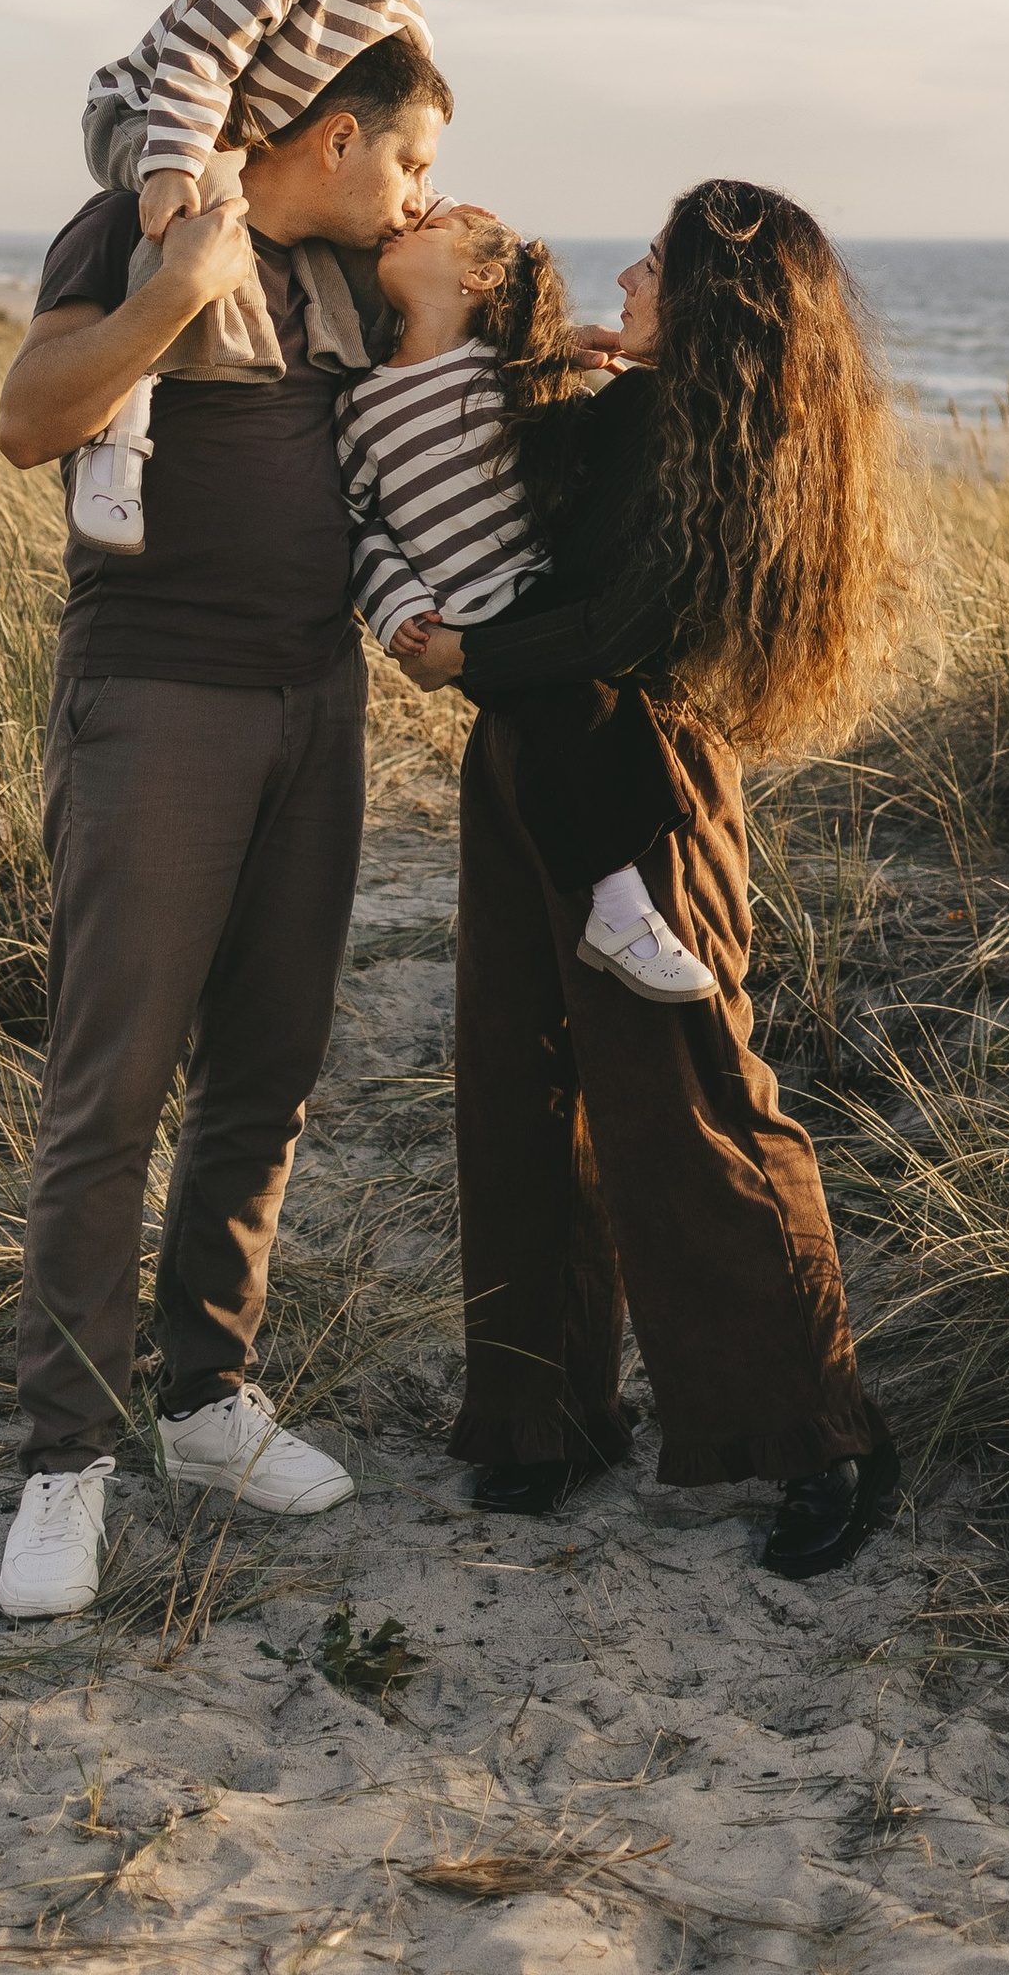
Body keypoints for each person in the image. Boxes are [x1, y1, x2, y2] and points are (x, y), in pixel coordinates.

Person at [0, 29, 451, 1620]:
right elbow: (30, 417)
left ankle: (203, 1399)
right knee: (110, 1091)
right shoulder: (135, 225)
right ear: (330, 136)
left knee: (267, 1068)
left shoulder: (347, 273)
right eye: (407, 160)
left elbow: (452, 361)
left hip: (317, 705)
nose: (418, 197)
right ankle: (68, 1462)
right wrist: (174, 297)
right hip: (157, 699)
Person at [396, 179, 909, 1581]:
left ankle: (819, 1435)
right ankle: (542, 1414)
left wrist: (475, 662)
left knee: (690, 1099)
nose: (627, 272)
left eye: (657, 263)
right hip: (524, 766)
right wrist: (548, 361)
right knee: (517, 1079)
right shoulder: (636, 413)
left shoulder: (745, 445)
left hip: (638, 788)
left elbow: (630, 617)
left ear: (718, 304)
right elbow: (502, 481)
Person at [70, 0, 578, 552]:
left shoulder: (402, 20)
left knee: (353, 248)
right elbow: (203, 51)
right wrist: (173, 162)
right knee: (202, 215)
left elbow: (391, 140)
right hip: (150, 110)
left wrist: (435, 217)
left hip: (238, 144)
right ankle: (119, 432)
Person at [336, 200, 715, 1006]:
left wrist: (567, 353)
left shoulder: (499, 371)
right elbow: (352, 522)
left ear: (478, 277)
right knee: (561, 709)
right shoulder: (358, 405)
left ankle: (632, 894)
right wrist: (394, 601)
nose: (404, 223)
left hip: (539, 585)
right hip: (465, 611)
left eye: (429, 228)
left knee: (586, 711)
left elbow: (557, 421)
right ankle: (617, 911)